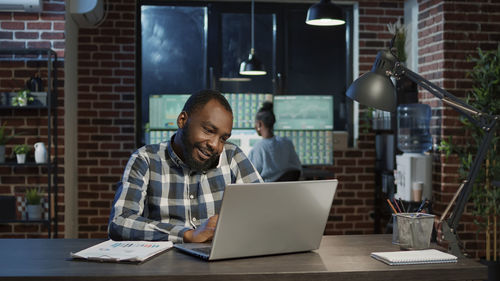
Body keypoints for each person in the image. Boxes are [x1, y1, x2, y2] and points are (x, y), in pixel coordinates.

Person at [108, 89, 262, 243]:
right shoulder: (146, 159)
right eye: (208, 131)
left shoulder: (232, 156)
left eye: (223, 138)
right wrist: (187, 235)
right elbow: (119, 223)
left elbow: (265, 211)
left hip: (219, 262)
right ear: (182, 120)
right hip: (163, 264)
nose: (216, 145)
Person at [248, 101, 302, 182]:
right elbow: (298, 170)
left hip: (267, 192)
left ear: (259, 124)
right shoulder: (287, 143)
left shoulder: (258, 147)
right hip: (288, 191)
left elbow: (250, 178)